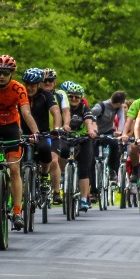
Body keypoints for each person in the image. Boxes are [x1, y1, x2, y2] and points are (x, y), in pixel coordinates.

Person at [0, 55, 41, 230]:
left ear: (11, 73)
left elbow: (26, 112)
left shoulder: (18, 88)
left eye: (5, 73)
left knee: (14, 169)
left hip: (11, 127)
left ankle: (18, 212)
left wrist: (35, 133)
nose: (1, 76)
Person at [20, 68, 61, 195]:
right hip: (22, 133)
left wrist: (57, 128)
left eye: (32, 85)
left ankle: (44, 175)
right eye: (27, 84)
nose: (29, 88)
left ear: (38, 85)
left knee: (45, 149)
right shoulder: (20, 93)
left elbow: (55, 112)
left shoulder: (46, 95)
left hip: (42, 133)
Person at [61, 82, 98, 211]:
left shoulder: (85, 108)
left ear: (81, 98)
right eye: (71, 97)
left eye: (77, 97)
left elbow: (89, 121)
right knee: (60, 153)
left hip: (83, 139)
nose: (74, 99)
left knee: (84, 168)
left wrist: (91, 132)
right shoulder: (63, 107)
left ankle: (83, 199)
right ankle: (62, 176)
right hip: (66, 137)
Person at [41, 68, 71, 204]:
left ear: (55, 82)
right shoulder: (36, 94)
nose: (47, 83)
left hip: (54, 132)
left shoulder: (60, 94)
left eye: (50, 80)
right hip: (38, 132)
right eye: (44, 80)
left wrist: (65, 125)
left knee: (53, 160)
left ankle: (56, 191)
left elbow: (65, 111)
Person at [91, 91, 126, 182]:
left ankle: (112, 169)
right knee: (92, 154)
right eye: (121, 103)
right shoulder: (100, 107)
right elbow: (89, 116)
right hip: (96, 133)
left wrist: (120, 131)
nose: (122, 105)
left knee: (115, 144)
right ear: (119, 103)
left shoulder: (119, 107)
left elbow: (122, 118)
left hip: (108, 132)